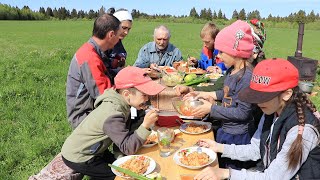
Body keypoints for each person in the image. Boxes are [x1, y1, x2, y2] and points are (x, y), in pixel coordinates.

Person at [194, 58, 320, 180]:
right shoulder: (270, 111)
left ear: (287, 94)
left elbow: (273, 177)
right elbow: (255, 150)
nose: (257, 102)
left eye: (263, 96)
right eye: (255, 95)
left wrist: (226, 173)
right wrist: (218, 147)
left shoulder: (302, 131)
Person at [176, 20, 256, 169]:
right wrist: (204, 94)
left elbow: (243, 113)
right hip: (225, 130)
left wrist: (211, 109)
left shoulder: (246, 77)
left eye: (221, 52)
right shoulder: (232, 71)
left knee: (231, 170)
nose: (217, 56)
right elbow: (226, 93)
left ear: (235, 51)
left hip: (237, 137)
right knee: (219, 166)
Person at [61, 66, 165, 179]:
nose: (147, 99)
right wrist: (146, 125)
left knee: (122, 166)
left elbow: (121, 136)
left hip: (95, 148)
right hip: (80, 156)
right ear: (126, 94)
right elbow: (127, 147)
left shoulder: (121, 103)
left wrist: (120, 157)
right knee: (118, 176)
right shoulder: (113, 114)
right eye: (144, 95)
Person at [66, 14, 121, 129]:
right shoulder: (89, 57)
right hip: (83, 117)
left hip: (91, 109)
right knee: (129, 117)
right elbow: (107, 96)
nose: (119, 39)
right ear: (111, 35)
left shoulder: (94, 50)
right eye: (119, 35)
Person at [105, 8, 133, 82]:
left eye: (129, 29)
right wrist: (123, 71)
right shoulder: (105, 44)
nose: (126, 32)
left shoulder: (118, 41)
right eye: (124, 28)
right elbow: (101, 72)